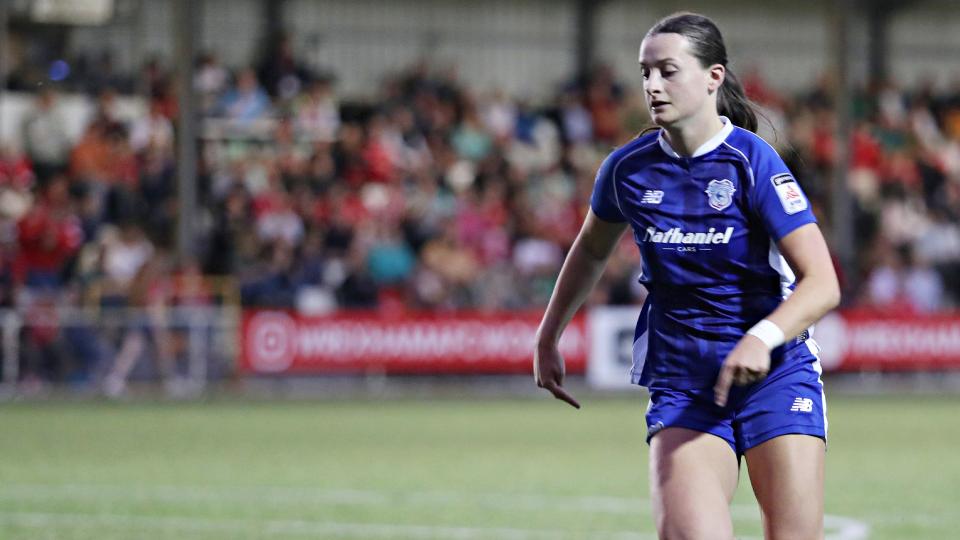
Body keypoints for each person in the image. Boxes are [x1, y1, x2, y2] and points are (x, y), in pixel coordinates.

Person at [534, 12, 840, 540]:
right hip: (684, 381)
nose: (652, 85)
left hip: (777, 375)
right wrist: (549, 332)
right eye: (645, 72)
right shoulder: (626, 170)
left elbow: (823, 283)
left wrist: (760, 339)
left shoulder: (754, 163)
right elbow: (589, 250)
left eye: (668, 71)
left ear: (713, 77)